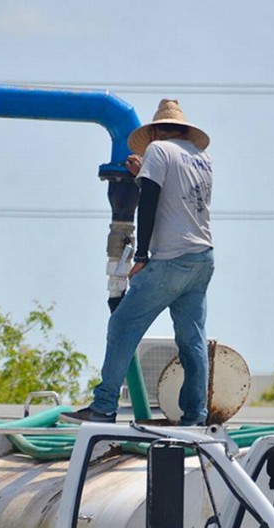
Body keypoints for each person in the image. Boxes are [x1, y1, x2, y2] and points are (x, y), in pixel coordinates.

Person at [63, 99, 214, 426]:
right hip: (203, 258)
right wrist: (142, 174)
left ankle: (103, 407)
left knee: (122, 325)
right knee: (192, 340)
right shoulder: (202, 159)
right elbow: (178, 199)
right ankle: (196, 418)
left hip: (170, 259)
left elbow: (148, 203)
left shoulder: (158, 152)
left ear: (156, 130)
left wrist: (142, 255)